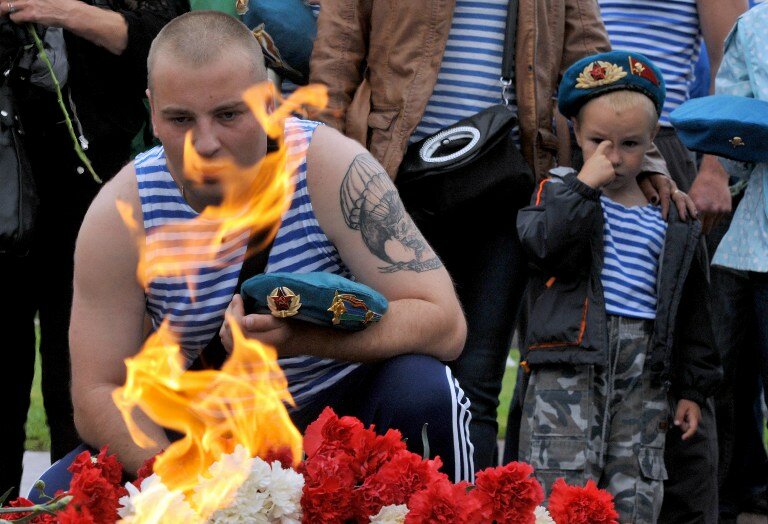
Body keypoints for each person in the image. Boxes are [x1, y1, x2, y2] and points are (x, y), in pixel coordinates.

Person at [64, 10, 473, 490]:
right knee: (59, 491)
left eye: (228, 114)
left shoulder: (332, 168)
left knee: (425, 390)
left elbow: (445, 324)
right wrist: (184, 486)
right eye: (179, 119)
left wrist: (303, 340)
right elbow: (96, 392)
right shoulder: (121, 211)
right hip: (203, 435)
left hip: (341, 413)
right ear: (151, 112)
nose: (205, 143)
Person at [309, 0, 692, 473]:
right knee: (385, 366)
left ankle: (467, 507)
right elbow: (337, 55)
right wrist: (319, 165)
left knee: (478, 382)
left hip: (506, 188)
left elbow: (597, 67)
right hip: (394, 185)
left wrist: (648, 163)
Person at [516, 51, 721, 521]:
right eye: (597, 140)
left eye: (629, 143)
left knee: (636, 484)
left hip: (646, 369)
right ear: (575, 135)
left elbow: (691, 309)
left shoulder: (670, 215)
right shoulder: (559, 191)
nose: (612, 155)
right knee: (558, 481)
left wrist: (691, 387)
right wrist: (584, 188)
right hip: (571, 361)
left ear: (652, 141)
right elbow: (544, 246)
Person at [0, 0, 186, 499]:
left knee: (85, 379)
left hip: (92, 193)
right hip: (5, 188)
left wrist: (57, 9)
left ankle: (79, 501)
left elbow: (168, 42)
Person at [595, 3, 746, 520]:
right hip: (579, 138)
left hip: (664, 140)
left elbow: (732, 56)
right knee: (565, 338)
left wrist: (714, 166)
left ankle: (693, 511)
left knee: (681, 343)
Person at [710, 3, 768, 517]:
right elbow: (728, 139)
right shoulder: (754, 27)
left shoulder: (755, 24)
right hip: (753, 245)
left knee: (727, 382)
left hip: (754, 243)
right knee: (724, 381)